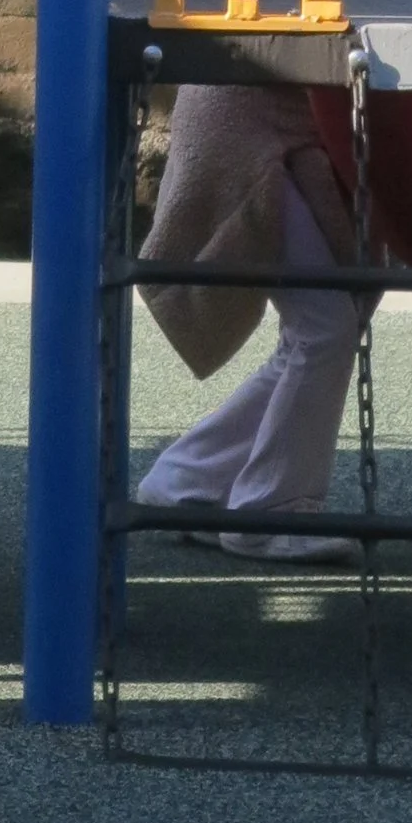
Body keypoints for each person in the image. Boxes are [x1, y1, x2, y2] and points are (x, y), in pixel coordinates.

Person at [136, 82, 372, 560]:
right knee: (324, 326)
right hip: (247, 125)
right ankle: (269, 513)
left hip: (243, 115)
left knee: (317, 329)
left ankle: (187, 478)